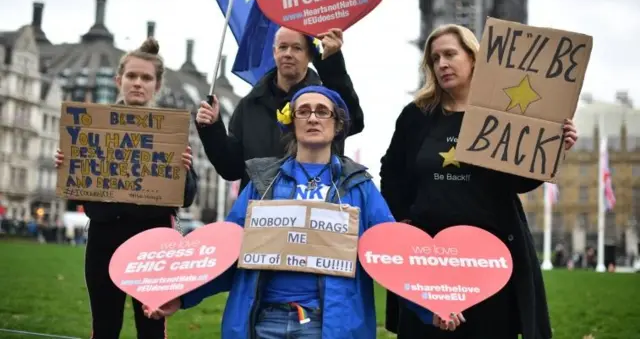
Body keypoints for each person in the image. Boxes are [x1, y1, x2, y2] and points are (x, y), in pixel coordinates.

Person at [143, 86, 461, 338]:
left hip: (327, 325)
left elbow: (391, 255)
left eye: (322, 112)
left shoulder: (359, 187)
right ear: (291, 122)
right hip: (261, 322)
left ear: (337, 126)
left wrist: (430, 303)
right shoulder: (262, 183)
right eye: (303, 111)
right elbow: (227, 252)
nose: (312, 118)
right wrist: (182, 296)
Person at [380, 24, 579, 339]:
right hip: (429, 258)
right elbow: (391, 172)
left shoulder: (503, 115)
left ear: (473, 58)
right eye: (434, 58)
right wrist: (403, 219)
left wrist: (553, 148)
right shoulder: (416, 116)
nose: (442, 63)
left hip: (490, 258)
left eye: (450, 54)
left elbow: (519, 182)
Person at [54, 37, 199, 339]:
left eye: (146, 78)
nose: (137, 83)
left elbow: (186, 197)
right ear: (119, 80)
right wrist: (69, 166)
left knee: (151, 326)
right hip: (105, 238)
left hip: (154, 240)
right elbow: (80, 192)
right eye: (131, 76)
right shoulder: (94, 127)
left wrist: (185, 170)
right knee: (105, 327)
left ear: (156, 86)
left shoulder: (171, 131)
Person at [195, 27, 364, 191]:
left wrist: (332, 63)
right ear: (274, 52)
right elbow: (231, 169)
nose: (288, 54)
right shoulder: (250, 104)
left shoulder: (325, 103)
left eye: (297, 48)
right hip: (259, 213)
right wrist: (212, 128)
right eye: (283, 47)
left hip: (314, 209)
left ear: (310, 55)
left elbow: (354, 121)